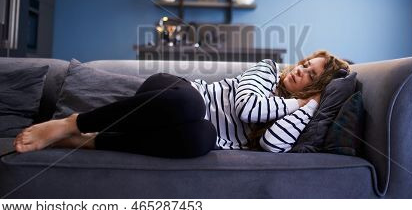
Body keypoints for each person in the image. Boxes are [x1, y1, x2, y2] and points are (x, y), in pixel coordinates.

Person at [14, 50, 349, 158]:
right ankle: (72, 123)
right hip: (177, 95)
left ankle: (90, 141)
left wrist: (308, 108)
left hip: (189, 129)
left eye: (311, 74)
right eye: (306, 63)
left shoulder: (298, 111)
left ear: (316, 88)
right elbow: (247, 108)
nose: (301, 70)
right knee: (191, 108)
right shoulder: (266, 70)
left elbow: (273, 146)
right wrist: (296, 105)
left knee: (203, 139)